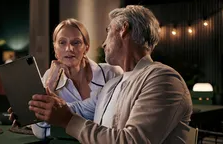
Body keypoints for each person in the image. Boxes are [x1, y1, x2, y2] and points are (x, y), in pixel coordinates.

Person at [28, 5, 193, 143]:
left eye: (108, 31)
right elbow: (68, 110)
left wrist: (67, 120)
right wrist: (32, 108)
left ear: (123, 30)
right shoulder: (112, 86)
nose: (104, 42)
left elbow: (132, 141)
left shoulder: (163, 79)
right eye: (62, 43)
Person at [28, 18, 123, 139]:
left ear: (86, 48)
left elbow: (118, 122)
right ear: (55, 49)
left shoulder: (112, 73)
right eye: (62, 42)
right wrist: (50, 85)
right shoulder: (48, 77)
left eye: (76, 42)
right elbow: (40, 132)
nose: (69, 48)